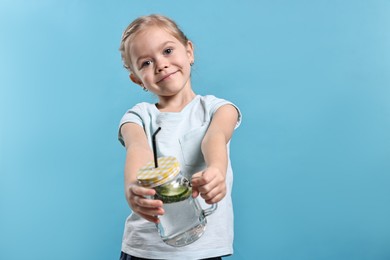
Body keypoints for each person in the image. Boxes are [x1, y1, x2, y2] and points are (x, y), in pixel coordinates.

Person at [118, 14, 242, 260]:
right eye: (145, 63)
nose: (161, 64)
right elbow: (138, 148)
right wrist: (133, 186)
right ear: (136, 78)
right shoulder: (139, 116)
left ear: (189, 52)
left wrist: (216, 169)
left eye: (167, 50)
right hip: (145, 251)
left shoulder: (219, 109)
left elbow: (214, 138)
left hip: (204, 250)